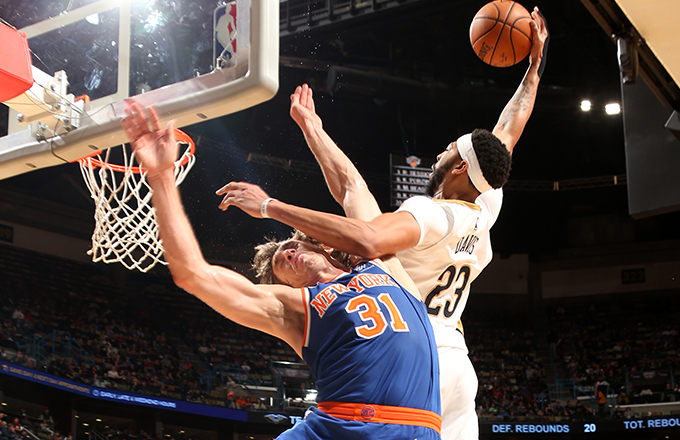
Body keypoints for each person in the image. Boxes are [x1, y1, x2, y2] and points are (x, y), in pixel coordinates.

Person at [217, 8, 547, 440]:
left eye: (447, 152)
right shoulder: (482, 207)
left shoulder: (432, 213)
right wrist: (535, 68)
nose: (437, 155)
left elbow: (364, 224)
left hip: (409, 356)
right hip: (456, 362)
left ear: (460, 168)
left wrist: (269, 206)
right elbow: (506, 132)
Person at [121, 104, 442, 439]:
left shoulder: (380, 262)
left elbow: (352, 188)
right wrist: (160, 177)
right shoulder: (295, 308)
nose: (287, 253)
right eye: (280, 264)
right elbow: (193, 274)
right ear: (284, 285)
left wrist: (312, 129)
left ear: (323, 246)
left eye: (292, 246)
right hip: (339, 428)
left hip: (415, 430)